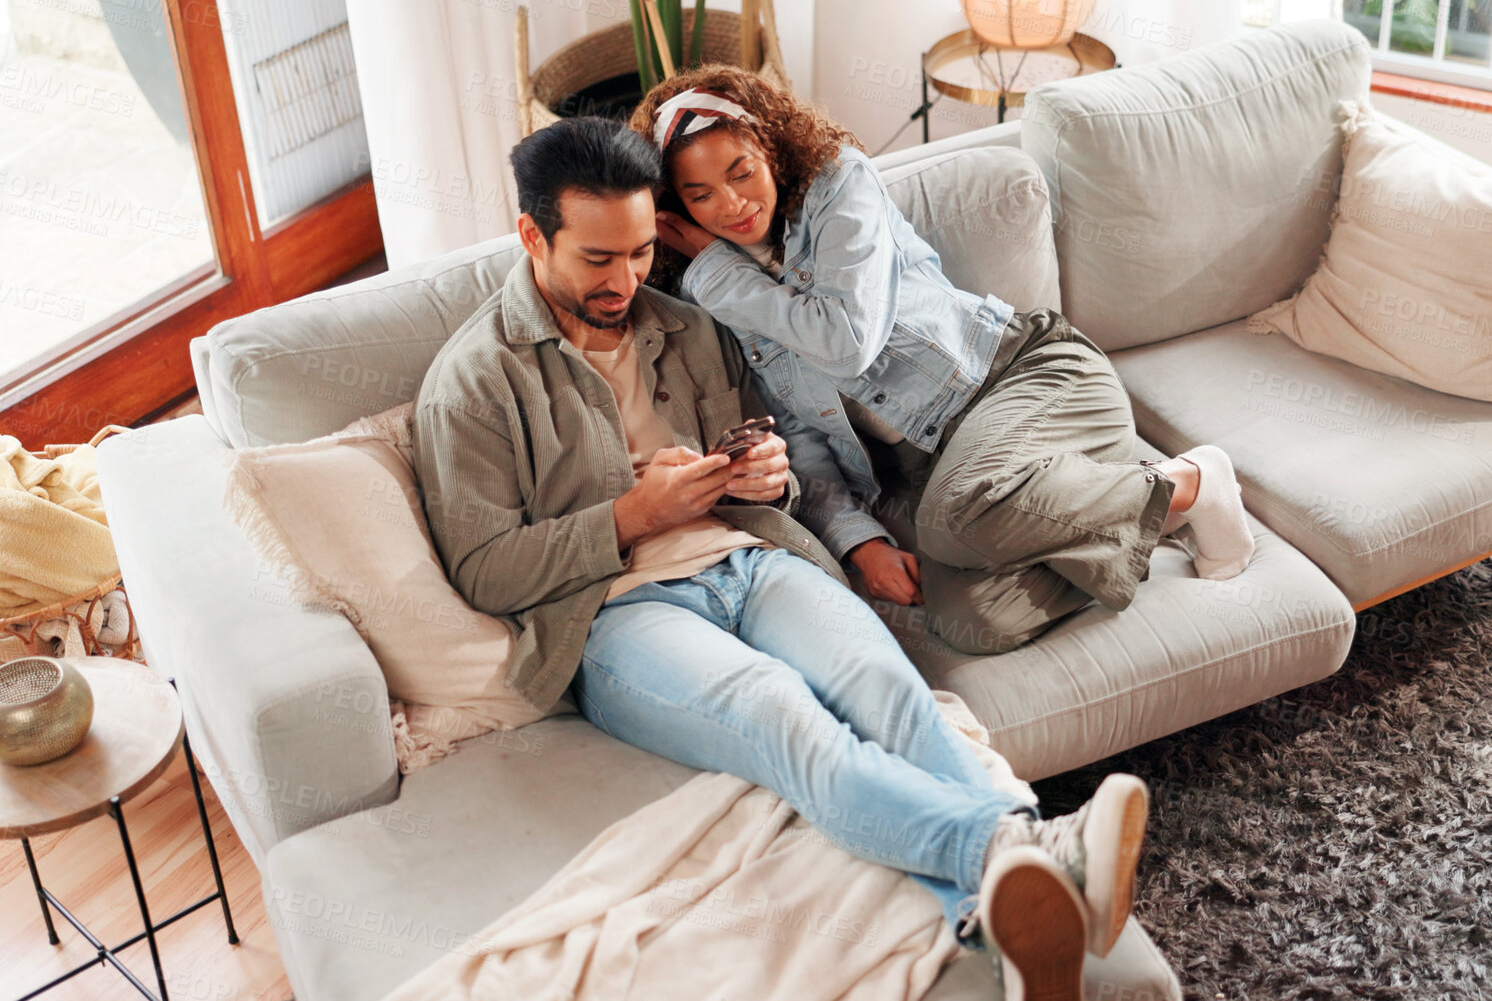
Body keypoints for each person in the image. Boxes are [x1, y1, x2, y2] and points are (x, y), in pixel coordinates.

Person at [411, 116, 1151, 994]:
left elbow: (780, 466)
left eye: (642, 253)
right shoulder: (474, 381)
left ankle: (1003, 917)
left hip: (755, 560)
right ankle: (1025, 847)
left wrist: (768, 478)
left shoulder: (687, 327)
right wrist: (630, 516)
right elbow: (484, 570)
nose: (625, 281)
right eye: (597, 260)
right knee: (782, 715)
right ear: (533, 236)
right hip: (618, 611)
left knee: (889, 693)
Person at [630, 70, 1258, 657]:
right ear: (676, 207)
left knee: (952, 519)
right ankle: (1124, 501)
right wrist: (860, 541)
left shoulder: (836, 186)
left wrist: (717, 271)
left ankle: (1191, 482)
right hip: (946, 462)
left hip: (1027, 379)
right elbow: (796, 430)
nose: (731, 204)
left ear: (770, 149)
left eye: (742, 173)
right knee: (975, 619)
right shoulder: (718, 294)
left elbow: (847, 342)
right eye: (700, 195)